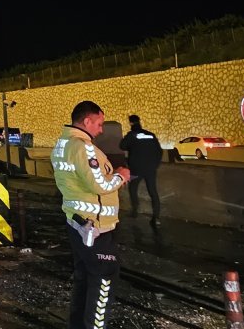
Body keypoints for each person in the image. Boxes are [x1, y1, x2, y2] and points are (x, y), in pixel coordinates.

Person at [52, 100, 132, 329]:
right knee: (103, 279)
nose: (101, 129)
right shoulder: (83, 147)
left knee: (84, 278)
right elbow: (100, 185)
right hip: (94, 227)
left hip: (77, 223)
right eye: (99, 123)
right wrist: (121, 176)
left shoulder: (63, 143)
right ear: (87, 121)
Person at [119, 114, 163, 225]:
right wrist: (155, 164)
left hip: (136, 169)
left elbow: (122, 146)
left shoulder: (132, 135)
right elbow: (159, 151)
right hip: (150, 169)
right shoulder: (150, 135)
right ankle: (156, 218)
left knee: (133, 189)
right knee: (153, 192)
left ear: (131, 123)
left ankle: (134, 211)